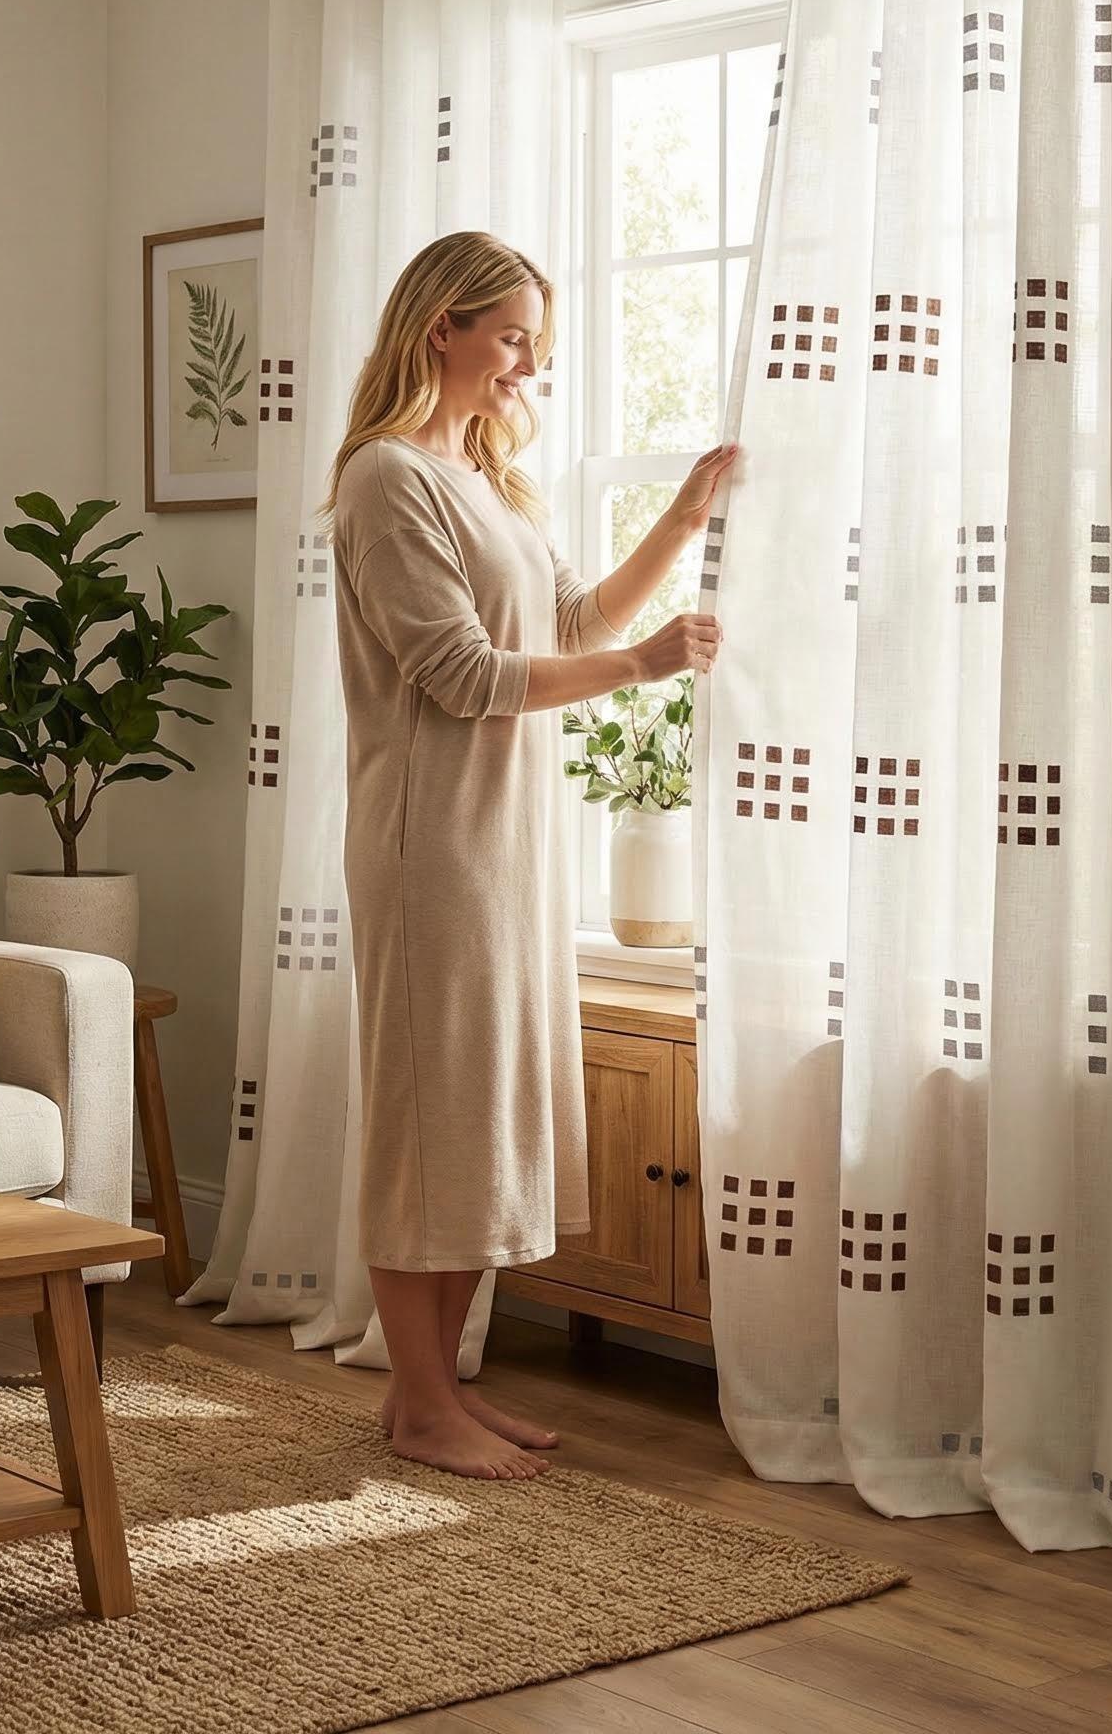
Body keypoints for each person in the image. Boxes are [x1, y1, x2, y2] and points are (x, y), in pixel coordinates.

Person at [319, 229, 734, 1480]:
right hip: (428, 845)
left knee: (473, 1112)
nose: (527, 365)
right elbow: (458, 676)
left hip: (502, 848)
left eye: (535, 345)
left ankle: (428, 1396)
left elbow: (569, 619)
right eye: (511, 337)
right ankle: (420, 1396)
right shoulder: (385, 479)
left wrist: (679, 518)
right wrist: (643, 666)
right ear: (437, 326)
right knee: (424, 1120)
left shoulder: (491, 481)